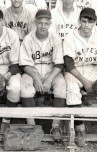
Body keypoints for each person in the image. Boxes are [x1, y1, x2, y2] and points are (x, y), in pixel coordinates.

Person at [19, 9, 66, 141]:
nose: (43, 26)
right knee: (26, 88)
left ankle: (55, 126)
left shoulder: (55, 39)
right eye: (40, 23)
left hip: (51, 71)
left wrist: (49, 80)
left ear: (50, 24)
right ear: (35, 22)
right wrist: (36, 78)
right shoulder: (28, 39)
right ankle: (31, 125)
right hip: (32, 71)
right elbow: (24, 64)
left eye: (46, 23)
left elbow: (59, 64)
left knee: (62, 86)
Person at [63, 8, 97, 146]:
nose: (86, 25)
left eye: (90, 22)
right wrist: (84, 81)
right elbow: (68, 64)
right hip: (75, 71)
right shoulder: (70, 37)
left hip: (94, 68)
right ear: (79, 21)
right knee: (71, 87)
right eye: (84, 21)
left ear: (94, 22)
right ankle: (79, 128)